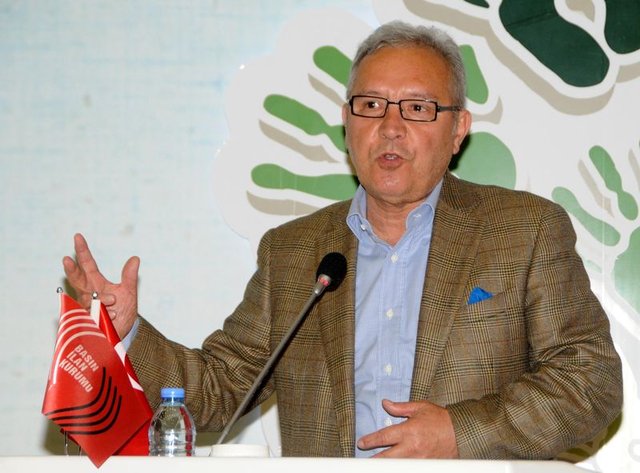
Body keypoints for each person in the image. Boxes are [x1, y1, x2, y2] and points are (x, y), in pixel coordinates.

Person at [63, 21, 623, 459]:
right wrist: (126, 328)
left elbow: (590, 382)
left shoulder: (524, 232)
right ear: (347, 122)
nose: (391, 127)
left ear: (458, 130)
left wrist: (460, 432)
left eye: (418, 108)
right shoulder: (293, 253)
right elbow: (219, 388)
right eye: (371, 105)